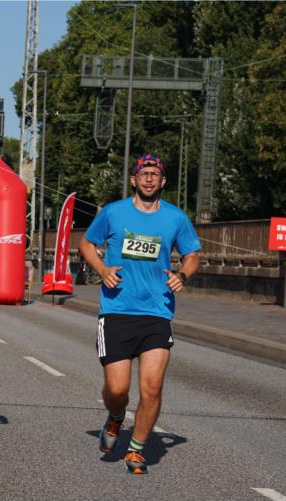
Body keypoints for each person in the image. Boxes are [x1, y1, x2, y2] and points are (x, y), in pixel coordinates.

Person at [79, 154, 200, 475]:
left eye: (154, 174)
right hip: (117, 311)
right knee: (118, 391)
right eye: (143, 174)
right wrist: (102, 269)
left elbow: (192, 256)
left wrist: (183, 275)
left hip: (157, 312)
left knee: (153, 388)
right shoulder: (114, 213)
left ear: (162, 182)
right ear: (134, 179)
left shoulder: (175, 218)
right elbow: (87, 243)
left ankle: (136, 449)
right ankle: (117, 418)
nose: (149, 179)